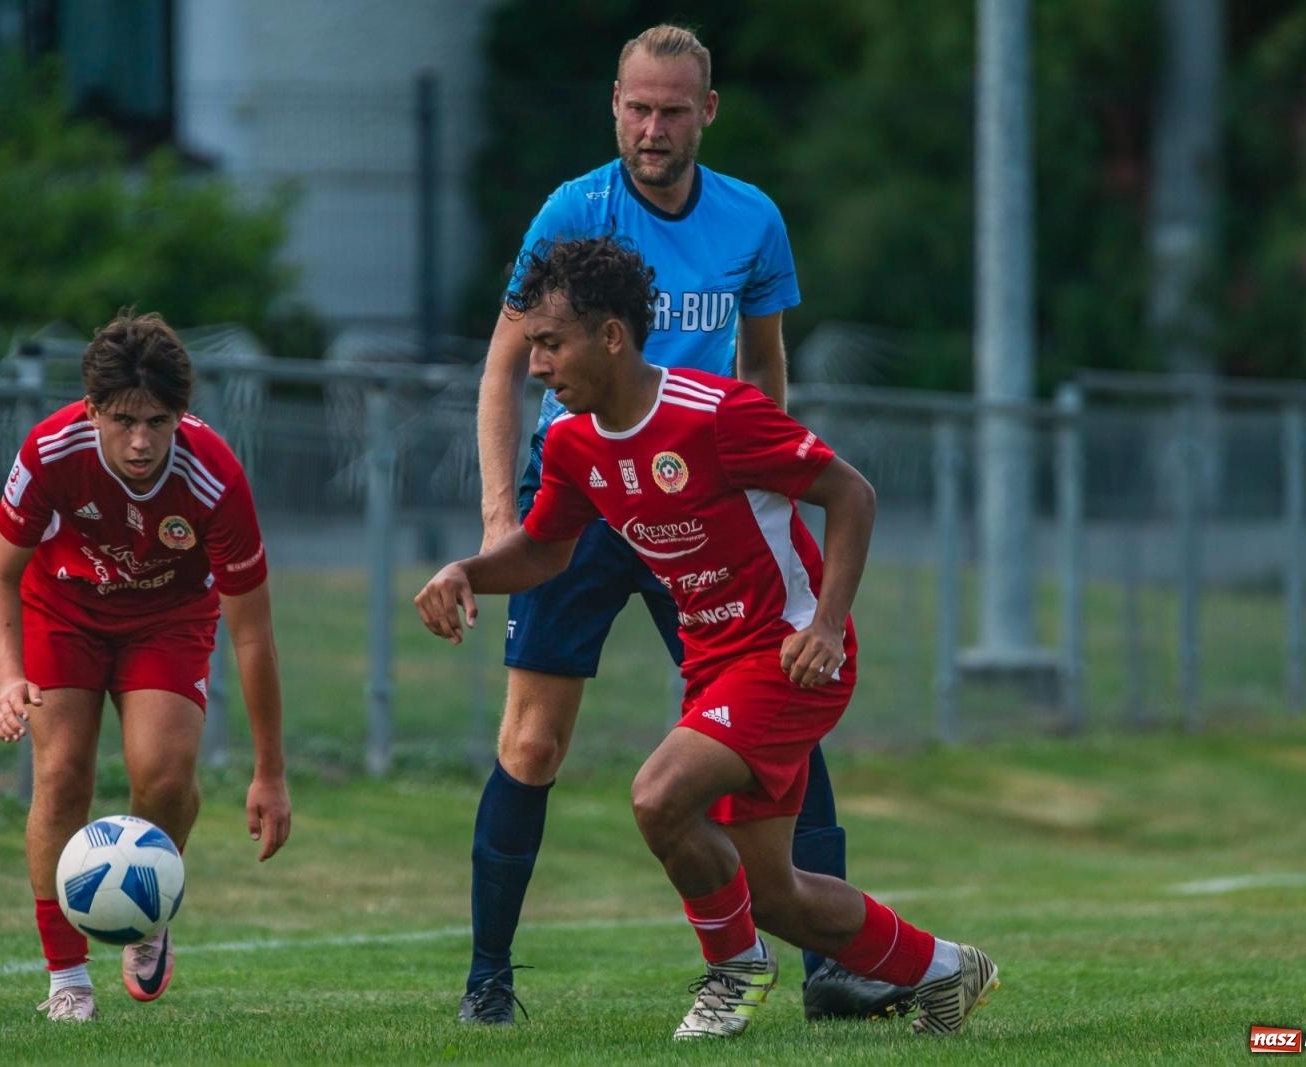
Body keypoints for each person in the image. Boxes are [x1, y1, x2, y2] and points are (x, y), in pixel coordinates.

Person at [419, 236, 999, 1040]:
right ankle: (947, 968)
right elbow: (548, 550)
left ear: (612, 336)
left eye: (550, 344)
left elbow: (851, 494)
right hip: (716, 664)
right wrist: (466, 571)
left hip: (791, 655)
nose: (538, 365)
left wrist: (828, 622)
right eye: (533, 347)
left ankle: (734, 969)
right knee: (775, 893)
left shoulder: (718, 415)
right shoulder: (574, 443)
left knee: (658, 795)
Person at [466, 22, 910, 1025]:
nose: (651, 127)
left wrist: (779, 497)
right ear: (612, 104)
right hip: (580, 496)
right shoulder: (571, 211)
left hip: (704, 510)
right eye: (636, 106)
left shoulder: (753, 220)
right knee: (532, 741)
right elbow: (504, 365)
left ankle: (828, 973)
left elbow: (764, 369)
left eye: (671, 109)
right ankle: (487, 980)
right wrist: (500, 511)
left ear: (706, 112)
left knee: (782, 704)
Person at [0, 312, 291, 1022]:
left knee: (166, 775)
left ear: (181, 413)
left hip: (167, 620)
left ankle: (144, 910)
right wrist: (7, 675)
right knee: (61, 778)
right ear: (92, 410)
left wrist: (269, 772)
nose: (142, 440)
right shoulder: (50, 451)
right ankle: (66, 978)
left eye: (157, 419)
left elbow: (253, 636)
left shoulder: (215, 479)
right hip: (63, 611)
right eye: (123, 420)